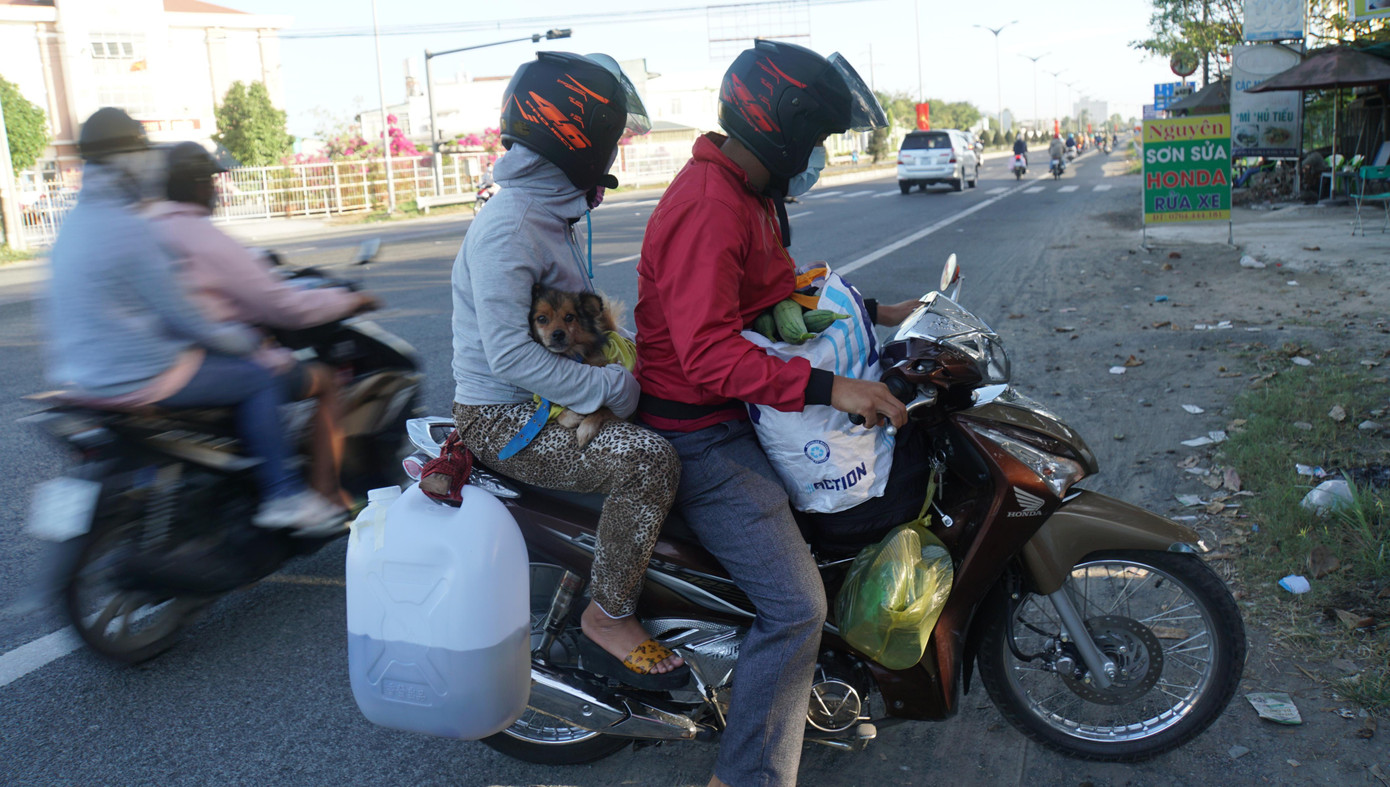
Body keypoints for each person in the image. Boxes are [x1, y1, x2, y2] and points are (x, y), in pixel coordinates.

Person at [634, 41, 911, 787]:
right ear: (782, 130)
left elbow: (775, 298)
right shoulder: (709, 206)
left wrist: (878, 312)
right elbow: (706, 355)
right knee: (795, 606)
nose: (819, 155)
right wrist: (830, 389)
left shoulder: (751, 192)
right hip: (699, 432)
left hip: (739, 413)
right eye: (817, 138)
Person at [448, 52, 688, 689]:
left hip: (547, 395)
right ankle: (609, 615)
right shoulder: (512, 228)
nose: (613, 155)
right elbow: (510, 355)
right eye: (610, 140)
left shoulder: (546, 213)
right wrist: (609, 385)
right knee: (648, 462)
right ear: (576, 139)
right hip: (505, 417)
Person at [46, 108, 342, 534]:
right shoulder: (130, 229)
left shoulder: (74, 225)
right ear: (126, 160)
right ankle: (284, 496)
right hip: (140, 374)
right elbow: (186, 318)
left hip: (82, 378)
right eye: (141, 154)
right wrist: (244, 342)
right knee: (258, 377)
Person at [147, 142, 378, 508]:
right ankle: (324, 493)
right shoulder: (204, 237)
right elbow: (283, 306)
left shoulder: (148, 229)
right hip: (206, 360)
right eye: (211, 181)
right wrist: (351, 301)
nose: (215, 189)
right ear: (200, 185)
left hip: (157, 357)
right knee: (324, 381)